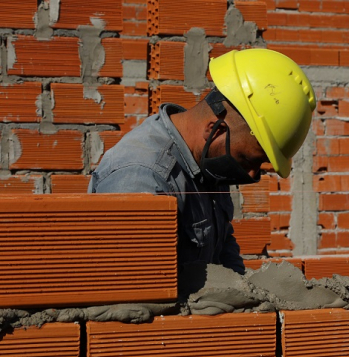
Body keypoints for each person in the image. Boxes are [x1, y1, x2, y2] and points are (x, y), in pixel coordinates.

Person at [89, 49, 316, 275]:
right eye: (248, 159)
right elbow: (137, 294)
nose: (251, 173)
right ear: (215, 130)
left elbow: (223, 246)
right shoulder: (142, 178)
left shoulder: (207, 162)